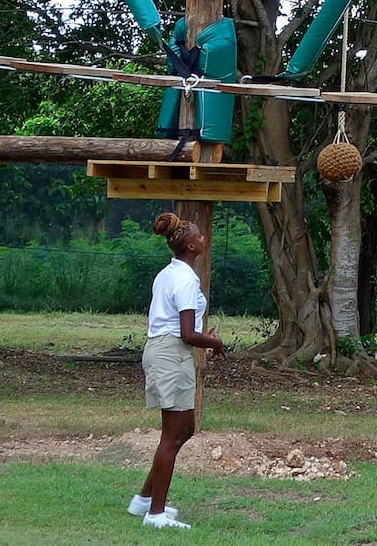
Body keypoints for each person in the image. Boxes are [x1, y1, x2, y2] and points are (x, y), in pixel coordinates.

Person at [130, 211, 227, 530]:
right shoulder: (185, 279)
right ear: (189, 247)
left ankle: (144, 499)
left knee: (183, 429)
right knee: (173, 435)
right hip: (171, 353)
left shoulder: (167, 273)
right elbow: (187, 332)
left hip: (168, 351)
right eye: (199, 236)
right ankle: (155, 514)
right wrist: (213, 342)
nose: (203, 239)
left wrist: (203, 338)